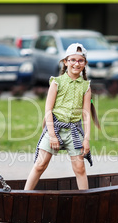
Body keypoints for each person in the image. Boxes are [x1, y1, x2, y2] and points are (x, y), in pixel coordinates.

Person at [24, 43, 100, 190]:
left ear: (85, 64)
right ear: (65, 61)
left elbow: (85, 114)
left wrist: (86, 139)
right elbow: (48, 109)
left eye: (80, 61)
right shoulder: (56, 82)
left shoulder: (86, 87)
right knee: (40, 165)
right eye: (72, 60)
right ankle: (24, 196)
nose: (76, 64)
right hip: (55, 127)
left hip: (73, 131)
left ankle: (85, 202)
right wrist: (52, 135)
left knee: (80, 168)